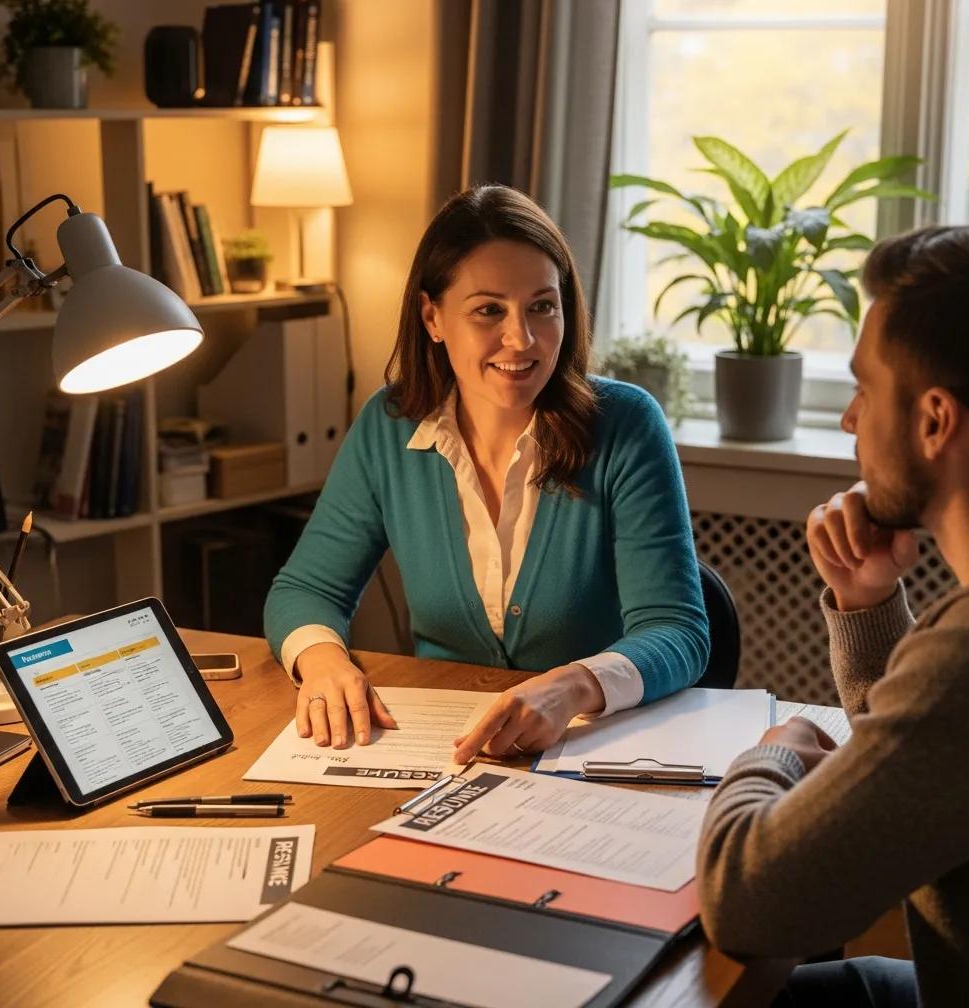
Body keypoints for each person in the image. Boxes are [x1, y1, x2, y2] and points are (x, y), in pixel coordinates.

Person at [264, 184, 709, 762]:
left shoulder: (626, 425)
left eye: (542, 306)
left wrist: (572, 687)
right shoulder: (389, 427)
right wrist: (323, 661)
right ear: (433, 317)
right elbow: (306, 589)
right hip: (444, 753)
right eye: (489, 310)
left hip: (592, 750)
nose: (521, 339)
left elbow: (677, 630)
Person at [695, 221, 969, 1007]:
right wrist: (868, 601)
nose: (848, 419)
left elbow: (749, 898)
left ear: (934, 421)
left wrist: (776, 751)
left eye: (864, 390)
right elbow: (932, 763)